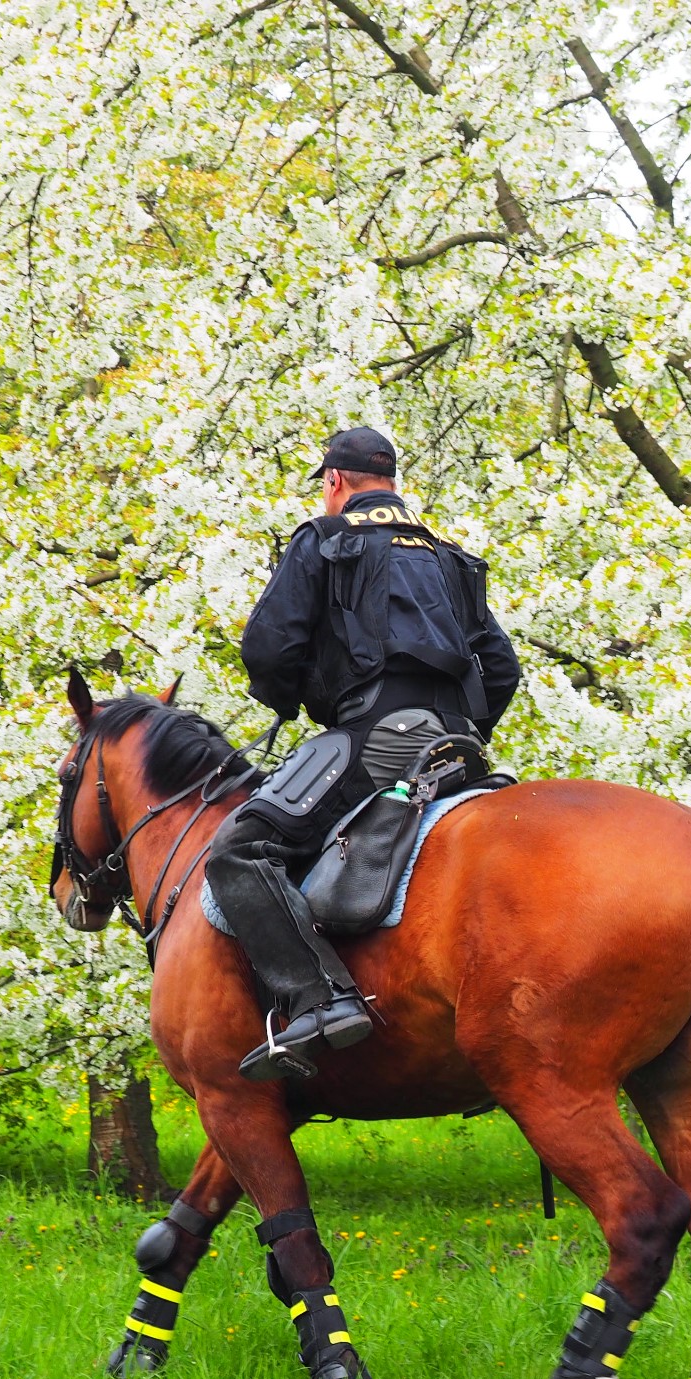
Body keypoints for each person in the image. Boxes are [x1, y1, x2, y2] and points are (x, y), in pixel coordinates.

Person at [207, 426, 521, 1081]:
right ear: (393, 482)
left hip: (375, 740)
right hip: (456, 747)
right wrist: (468, 724)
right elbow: (501, 666)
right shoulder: (450, 557)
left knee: (240, 846)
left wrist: (288, 698)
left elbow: (269, 648)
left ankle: (320, 999)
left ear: (334, 482)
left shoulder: (323, 540)